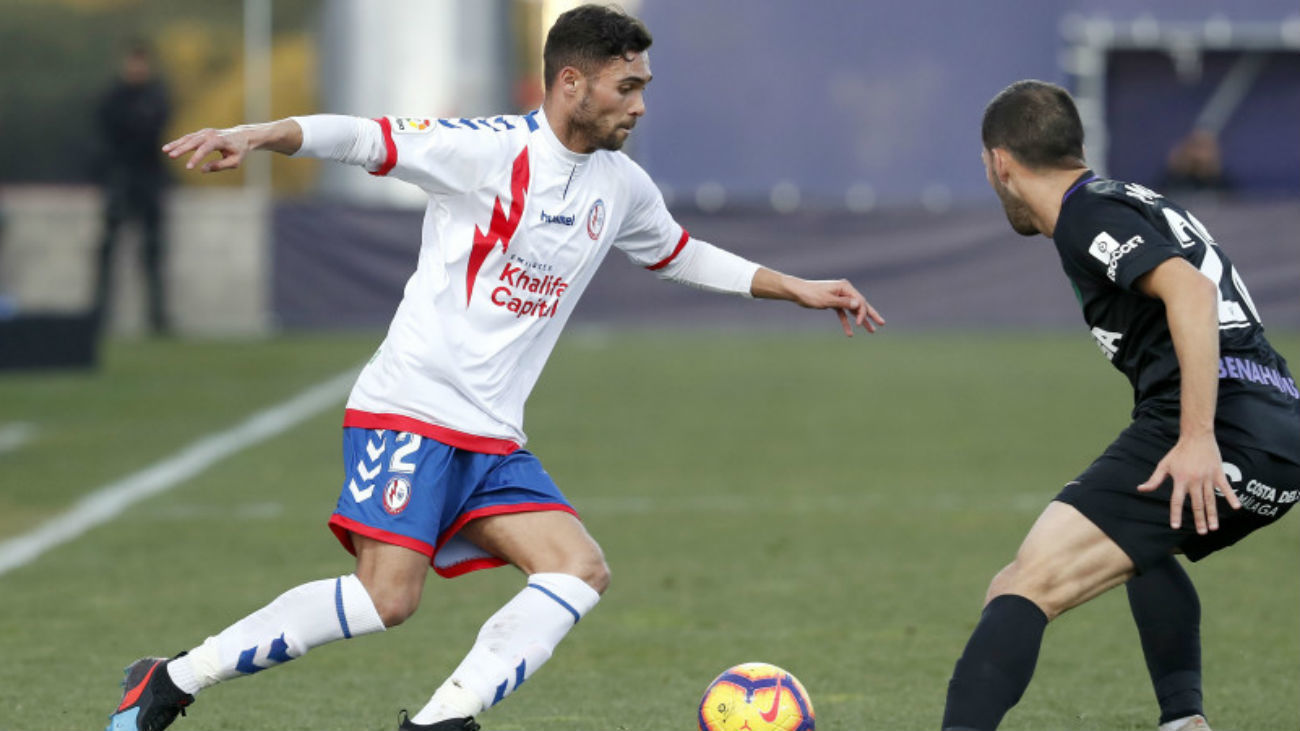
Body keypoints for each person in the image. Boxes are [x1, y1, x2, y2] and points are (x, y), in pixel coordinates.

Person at [105, 6, 885, 731]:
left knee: (578, 568)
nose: (639, 106)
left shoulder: (621, 186)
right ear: (571, 82)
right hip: (410, 406)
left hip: (492, 435)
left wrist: (798, 288)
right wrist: (261, 132)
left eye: (644, 87)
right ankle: (172, 679)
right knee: (387, 599)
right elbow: (364, 136)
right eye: (627, 87)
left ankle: (440, 719)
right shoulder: (485, 151)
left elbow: (679, 253)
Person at [941, 79, 1300, 731]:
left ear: (1001, 162)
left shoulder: (1085, 215)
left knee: (1022, 586)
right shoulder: (1132, 197)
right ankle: (1183, 719)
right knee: (1141, 534)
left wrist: (1196, 437)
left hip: (1223, 424)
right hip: (1279, 426)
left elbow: (1189, 292)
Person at [94, 39, 172, 335]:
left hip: (148, 181)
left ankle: (157, 319)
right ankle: (100, 315)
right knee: (109, 251)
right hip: (121, 179)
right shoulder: (113, 97)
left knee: (153, 251)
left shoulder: (155, 95)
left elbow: (154, 130)